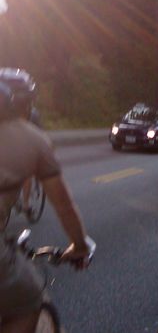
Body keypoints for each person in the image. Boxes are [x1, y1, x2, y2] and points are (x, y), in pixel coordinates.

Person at [0, 68, 91, 333]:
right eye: (30, 102)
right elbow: (64, 206)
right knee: (29, 301)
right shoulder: (33, 139)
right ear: (20, 102)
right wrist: (80, 246)